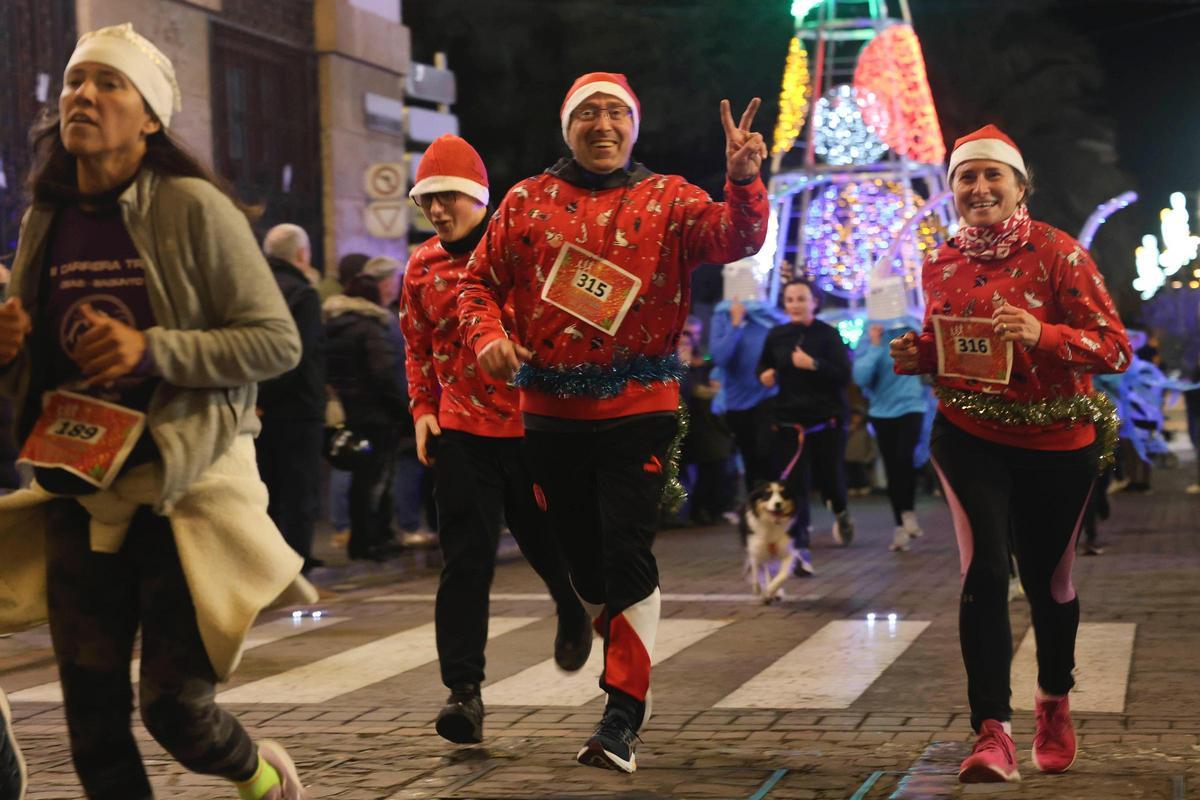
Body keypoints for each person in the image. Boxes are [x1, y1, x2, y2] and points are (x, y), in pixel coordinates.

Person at [0, 23, 314, 799]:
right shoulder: (47, 215)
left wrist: (154, 351)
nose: (84, 96)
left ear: (149, 117)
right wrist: (9, 347)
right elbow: (40, 360)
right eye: (77, 82)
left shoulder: (194, 207)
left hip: (183, 487)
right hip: (79, 479)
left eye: (110, 84)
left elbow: (277, 343)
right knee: (93, 724)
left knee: (175, 709)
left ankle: (263, 778)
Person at [459, 72, 768, 773]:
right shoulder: (525, 202)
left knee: (628, 549)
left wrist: (743, 182)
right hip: (549, 412)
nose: (603, 125)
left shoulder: (673, 198)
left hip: (642, 405)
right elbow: (476, 282)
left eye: (616, 114)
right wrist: (487, 339)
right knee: (583, 563)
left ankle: (621, 713)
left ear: (635, 126)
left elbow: (735, 239)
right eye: (588, 114)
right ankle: (618, 643)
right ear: (567, 127)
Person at [891, 125, 1130, 784]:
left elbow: (1115, 346)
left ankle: (1054, 696)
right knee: (986, 571)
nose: (979, 187)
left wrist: (1044, 333)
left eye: (993, 175)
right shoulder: (939, 260)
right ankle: (990, 731)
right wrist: (922, 355)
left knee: (1051, 586)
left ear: (1020, 186)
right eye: (966, 177)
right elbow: (959, 347)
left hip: (1058, 439)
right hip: (969, 434)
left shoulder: (1061, 254)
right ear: (953, 191)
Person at [401, 134, 591, 745]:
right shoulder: (420, 265)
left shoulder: (518, 253)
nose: (437, 210)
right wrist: (423, 408)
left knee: (545, 542)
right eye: (427, 199)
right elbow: (417, 345)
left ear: (478, 197)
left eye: (449, 196)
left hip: (531, 427)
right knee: (465, 562)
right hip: (461, 433)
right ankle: (464, 694)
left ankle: (570, 603)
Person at [758, 278, 854, 576]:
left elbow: (844, 375)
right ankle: (800, 551)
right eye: (789, 300)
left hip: (827, 420)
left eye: (801, 299)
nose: (795, 305)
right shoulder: (776, 335)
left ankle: (840, 510)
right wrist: (766, 374)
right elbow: (761, 366)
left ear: (814, 301)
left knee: (829, 479)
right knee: (794, 488)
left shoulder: (828, 335)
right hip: (789, 420)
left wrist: (813, 364)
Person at [324, 256, 409, 562]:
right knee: (376, 479)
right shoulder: (372, 328)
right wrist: (403, 408)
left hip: (350, 410)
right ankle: (373, 540)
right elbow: (384, 372)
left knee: (359, 478)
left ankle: (360, 538)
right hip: (377, 413)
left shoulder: (335, 325)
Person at [259, 224, 327, 573]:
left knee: (265, 494)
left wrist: (257, 396)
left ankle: (265, 571)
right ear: (302, 255)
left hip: (258, 409)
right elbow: (300, 355)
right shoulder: (303, 293)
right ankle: (293, 574)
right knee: (299, 493)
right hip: (298, 409)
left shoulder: (254, 288)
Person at [853, 319, 931, 551]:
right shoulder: (869, 332)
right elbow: (860, 378)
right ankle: (900, 525)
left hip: (912, 406)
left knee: (904, 458)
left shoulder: (912, 327)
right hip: (881, 412)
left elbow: (925, 363)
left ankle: (908, 511)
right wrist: (876, 345)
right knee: (891, 466)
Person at [710, 296, 786, 493]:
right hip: (736, 401)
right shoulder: (722, 316)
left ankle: (781, 503)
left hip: (768, 396)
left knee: (768, 453)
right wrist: (735, 324)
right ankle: (756, 508)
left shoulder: (771, 316)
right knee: (749, 457)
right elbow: (720, 358)